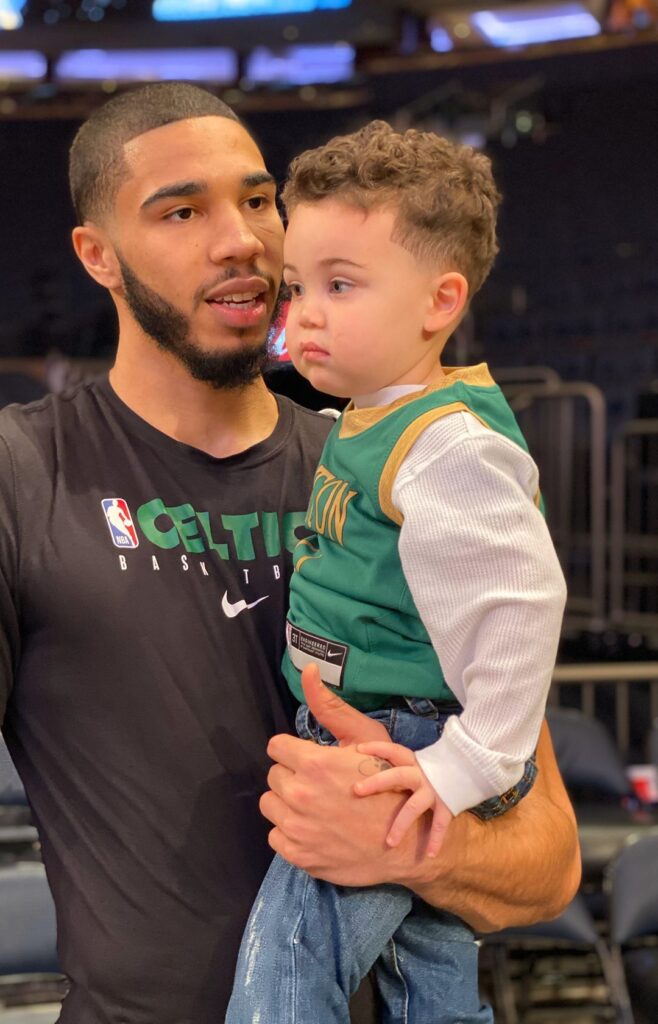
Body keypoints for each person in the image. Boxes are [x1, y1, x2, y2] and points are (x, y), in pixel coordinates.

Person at [0, 83, 579, 1024]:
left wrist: (400, 842)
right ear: (96, 255)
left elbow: (546, 861)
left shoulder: (399, 467)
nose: (242, 240)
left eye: (259, 200)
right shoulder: (21, 475)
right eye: (182, 210)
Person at [228, 121, 568, 1024]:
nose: (303, 313)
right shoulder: (369, 417)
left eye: (341, 285)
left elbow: (523, 609)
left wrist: (460, 768)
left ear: (439, 301)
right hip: (390, 734)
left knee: (289, 956)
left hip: (397, 747)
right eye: (298, 286)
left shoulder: (446, 445)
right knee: (431, 972)